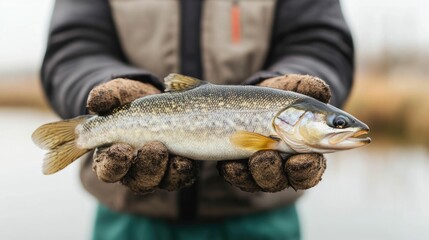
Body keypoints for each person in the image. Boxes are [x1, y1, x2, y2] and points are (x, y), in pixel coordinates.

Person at [41, 0, 354, 239]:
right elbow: (73, 47)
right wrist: (99, 87)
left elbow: (321, 42)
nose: (343, 129)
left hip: (260, 221)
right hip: (128, 219)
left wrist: (290, 80)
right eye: (337, 124)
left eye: (336, 124)